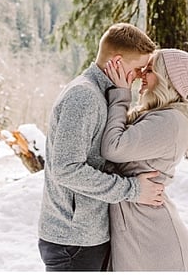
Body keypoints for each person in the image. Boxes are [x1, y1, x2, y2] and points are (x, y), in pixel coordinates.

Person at [37, 23, 166, 271]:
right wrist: (133, 190)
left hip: (87, 235)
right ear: (116, 62)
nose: (141, 75)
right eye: (139, 68)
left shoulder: (102, 94)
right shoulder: (83, 96)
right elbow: (66, 169)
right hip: (73, 241)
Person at [100, 48, 188, 271]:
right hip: (138, 232)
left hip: (153, 240)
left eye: (150, 70)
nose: (142, 74)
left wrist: (121, 94)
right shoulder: (155, 116)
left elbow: (113, 148)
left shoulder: (170, 121)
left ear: (166, 79)